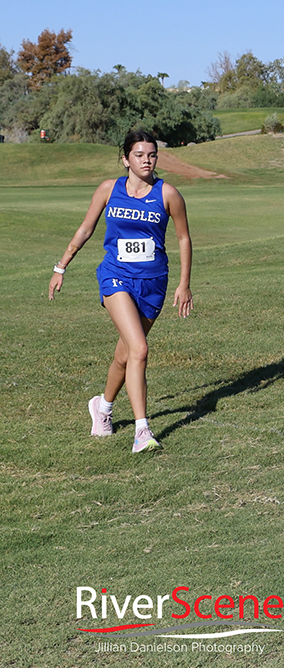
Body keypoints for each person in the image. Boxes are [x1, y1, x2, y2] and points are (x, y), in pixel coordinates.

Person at [48, 130, 193, 453]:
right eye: (139, 155)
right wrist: (61, 266)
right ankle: (142, 430)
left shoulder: (168, 194)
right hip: (116, 277)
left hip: (154, 282)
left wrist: (184, 284)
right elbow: (86, 229)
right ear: (126, 159)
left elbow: (184, 238)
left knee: (125, 354)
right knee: (140, 349)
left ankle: (102, 407)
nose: (147, 160)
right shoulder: (108, 189)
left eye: (152, 155)